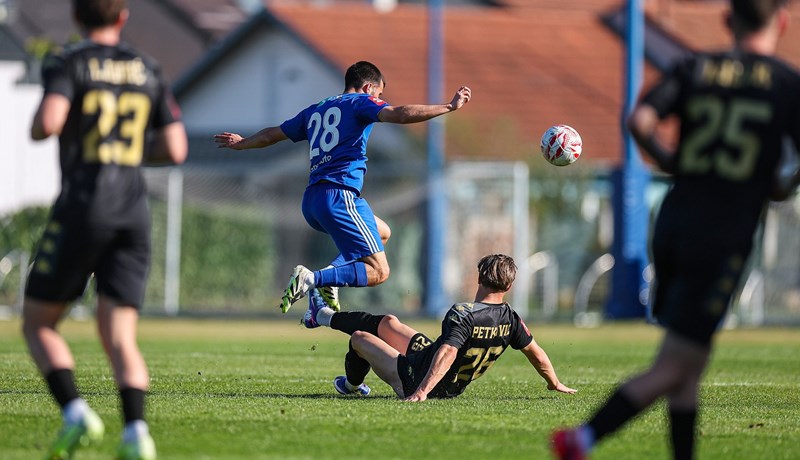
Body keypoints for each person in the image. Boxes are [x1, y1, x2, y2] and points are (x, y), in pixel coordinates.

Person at [551, 1, 800, 459]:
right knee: (678, 361)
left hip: (673, 221)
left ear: (728, 20)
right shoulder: (787, 85)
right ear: (782, 21)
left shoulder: (696, 68)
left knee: (689, 361)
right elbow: (789, 172)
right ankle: (582, 439)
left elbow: (640, 121)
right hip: (723, 234)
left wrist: (671, 162)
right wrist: (780, 185)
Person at [22, 0, 188, 458]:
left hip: (84, 206)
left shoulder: (69, 60)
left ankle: (76, 413)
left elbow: (48, 123)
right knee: (119, 335)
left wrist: (49, 127)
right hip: (133, 213)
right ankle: (137, 434)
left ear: (76, 17)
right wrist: (128, 153)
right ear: (123, 17)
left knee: (38, 322)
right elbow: (176, 149)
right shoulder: (147, 67)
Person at [214, 61, 471, 314]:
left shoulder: (315, 110)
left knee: (383, 232)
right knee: (380, 272)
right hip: (339, 196)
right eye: (379, 94)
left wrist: (243, 142)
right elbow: (399, 114)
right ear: (369, 87)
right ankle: (314, 280)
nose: (380, 100)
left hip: (313, 201)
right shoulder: (361, 102)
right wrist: (448, 107)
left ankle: (328, 277)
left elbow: (273, 134)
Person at [302, 253, 576, 400]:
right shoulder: (511, 318)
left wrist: (421, 392)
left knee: (360, 339)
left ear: (479, 277)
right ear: (509, 286)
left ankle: (351, 385)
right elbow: (536, 353)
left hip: (416, 379)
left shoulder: (464, 313)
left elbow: (447, 353)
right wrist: (554, 383)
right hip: (437, 370)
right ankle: (322, 316)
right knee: (388, 323)